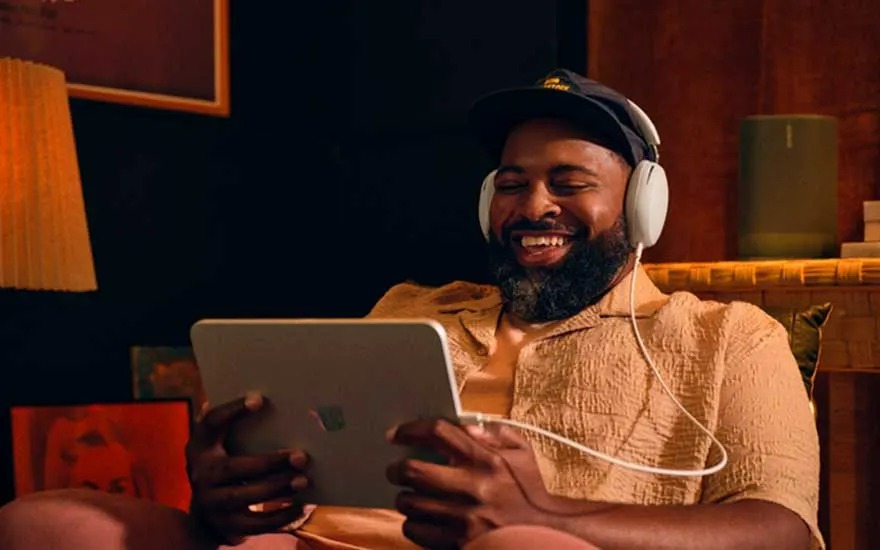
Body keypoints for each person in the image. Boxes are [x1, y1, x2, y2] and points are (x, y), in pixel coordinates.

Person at [0, 68, 822, 550]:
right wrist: (224, 501)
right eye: (512, 183)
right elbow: (312, 474)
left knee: (523, 544)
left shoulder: (724, 338)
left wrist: (547, 511)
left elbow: (781, 528)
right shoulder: (410, 308)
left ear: (643, 206)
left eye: (569, 183)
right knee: (44, 524)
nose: (533, 205)